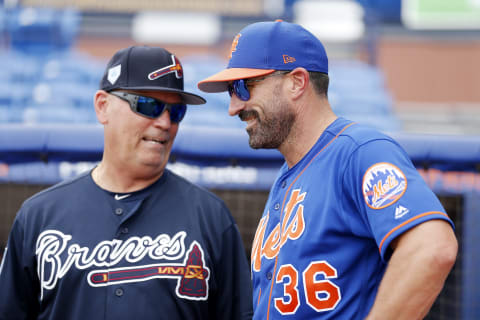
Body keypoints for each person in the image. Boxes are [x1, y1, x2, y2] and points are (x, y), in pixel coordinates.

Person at [198, 21, 458, 319]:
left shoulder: (359, 151)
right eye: (232, 90)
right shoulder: (289, 176)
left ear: (297, 82)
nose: (233, 106)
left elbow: (432, 248)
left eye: (244, 87)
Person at [0, 46, 253, 320]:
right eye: (148, 105)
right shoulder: (38, 216)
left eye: (176, 111)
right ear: (102, 106)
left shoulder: (212, 218)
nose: (165, 122)